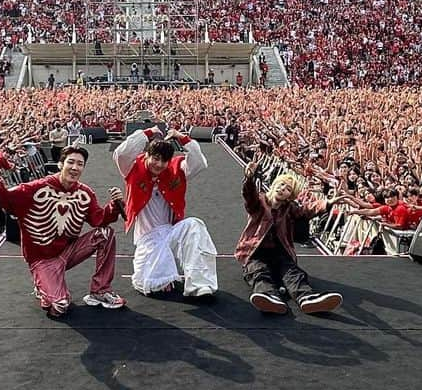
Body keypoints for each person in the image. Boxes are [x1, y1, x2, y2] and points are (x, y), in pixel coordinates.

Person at [0, 145, 125, 318]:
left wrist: (114, 205)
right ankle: (43, 286)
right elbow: (4, 197)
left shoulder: (85, 193)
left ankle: (101, 290)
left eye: (80, 164)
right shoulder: (35, 188)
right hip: (42, 259)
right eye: (70, 162)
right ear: (60, 164)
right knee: (60, 307)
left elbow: (98, 220)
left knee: (105, 234)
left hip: (68, 252)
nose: (75, 168)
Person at [113, 123, 217, 298]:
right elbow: (122, 153)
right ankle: (161, 273)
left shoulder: (177, 169)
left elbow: (200, 162)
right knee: (150, 284)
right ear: (146, 155)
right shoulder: (132, 168)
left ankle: (200, 285)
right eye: (155, 158)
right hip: (148, 238)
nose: (159, 164)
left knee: (194, 225)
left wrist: (181, 137)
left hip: (170, 231)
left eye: (164, 160)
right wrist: (148, 133)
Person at [234, 158, 343, 315]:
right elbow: (248, 195)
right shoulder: (258, 203)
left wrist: (327, 203)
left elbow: (308, 209)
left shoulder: (289, 208)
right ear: (274, 184)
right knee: (259, 273)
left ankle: (308, 298)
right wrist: (249, 178)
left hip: (280, 253)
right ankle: (269, 298)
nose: (282, 188)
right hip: (255, 252)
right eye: (281, 184)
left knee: (293, 274)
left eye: (287, 189)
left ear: (289, 196)